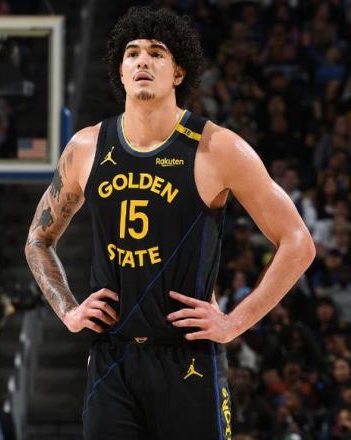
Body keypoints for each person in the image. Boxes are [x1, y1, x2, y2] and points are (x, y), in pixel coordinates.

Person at [25, 7, 315, 439]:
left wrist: (235, 322)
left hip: (188, 358)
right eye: (132, 53)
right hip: (113, 360)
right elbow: (37, 239)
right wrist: (68, 310)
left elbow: (298, 242)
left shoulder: (217, 148)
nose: (142, 61)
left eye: (157, 53)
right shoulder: (86, 147)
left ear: (179, 72)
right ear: (120, 71)